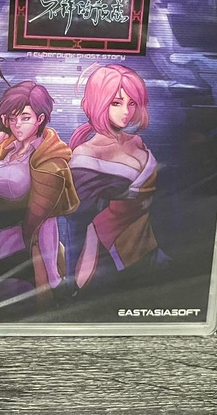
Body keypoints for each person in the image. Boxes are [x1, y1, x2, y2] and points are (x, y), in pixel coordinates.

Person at [0, 80, 78, 297]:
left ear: (40, 119)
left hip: (11, 261)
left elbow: (45, 222)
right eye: (12, 118)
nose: (18, 125)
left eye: (25, 118)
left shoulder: (49, 161)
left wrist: (52, 278)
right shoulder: (3, 148)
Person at [67, 64, 161, 290]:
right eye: (116, 103)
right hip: (109, 256)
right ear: (99, 103)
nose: (126, 111)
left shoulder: (137, 142)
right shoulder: (87, 155)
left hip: (148, 245)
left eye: (132, 103)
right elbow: (79, 219)